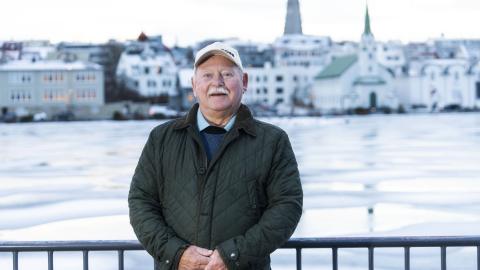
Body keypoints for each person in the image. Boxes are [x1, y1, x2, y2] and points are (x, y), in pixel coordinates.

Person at [128, 42, 303, 270]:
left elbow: (287, 206)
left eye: (227, 74)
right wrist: (177, 254)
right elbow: (141, 202)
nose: (217, 83)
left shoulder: (272, 141)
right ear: (194, 85)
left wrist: (235, 255)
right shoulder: (162, 139)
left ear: (245, 82)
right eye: (207, 75)